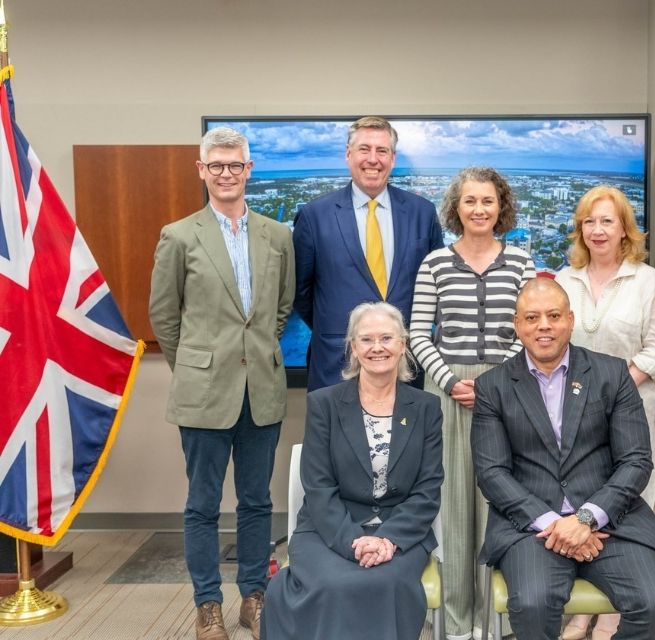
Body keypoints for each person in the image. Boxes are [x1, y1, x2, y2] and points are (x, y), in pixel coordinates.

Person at [471, 278, 655, 640]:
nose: (544, 326)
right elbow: (492, 472)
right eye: (532, 317)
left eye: (553, 315)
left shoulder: (611, 373)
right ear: (518, 325)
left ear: (570, 319)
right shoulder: (493, 386)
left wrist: (586, 517)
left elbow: (636, 460)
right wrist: (556, 523)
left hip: (610, 522)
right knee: (533, 605)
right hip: (533, 527)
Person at [149, 126, 295, 640]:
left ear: (249, 170)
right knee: (202, 505)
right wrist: (201, 364)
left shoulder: (277, 236)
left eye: (236, 165)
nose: (227, 173)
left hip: (262, 394)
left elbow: (280, 310)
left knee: (257, 502)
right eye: (217, 165)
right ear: (202, 171)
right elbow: (165, 318)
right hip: (204, 394)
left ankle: (253, 597)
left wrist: (250, 357)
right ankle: (207, 605)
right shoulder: (179, 235)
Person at [262, 302, 443, 640]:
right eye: (367, 339)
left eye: (387, 338)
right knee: (333, 583)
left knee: (386, 582)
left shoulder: (426, 408)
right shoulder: (324, 404)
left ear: (402, 345)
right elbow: (317, 486)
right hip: (328, 529)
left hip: (399, 533)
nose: (378, 347)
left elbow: (427, 489)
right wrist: (354, 541)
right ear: (353, 347)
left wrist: (387, 539)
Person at [409, 167, 536, 639]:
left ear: (501, 206)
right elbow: (418, 333)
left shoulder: (522, 262)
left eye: (488, 200)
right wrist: (448, 380)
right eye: (470, 201)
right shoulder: (434, 264)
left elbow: (528, 331)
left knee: (500, 505)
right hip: (445, 394)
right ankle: (458, 623)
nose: (479, 209)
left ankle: (494, 621)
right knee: (452, 506)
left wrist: (491, 383)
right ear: (455, 209)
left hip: (507, 392)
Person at [554, 186, 655, 640]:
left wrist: (614, 389)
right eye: (590, 221)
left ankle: (612, 615)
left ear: (625, 228)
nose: (598, 230)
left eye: (607, 221)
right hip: (569, 416)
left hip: (631, 411)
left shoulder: (646, 280)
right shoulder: (565, 280)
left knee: (624, 504)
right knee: (577, 504)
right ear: (580, 229)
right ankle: (582, 610)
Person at [293, 116, 444, 391]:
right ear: (349, 155)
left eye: (382, 151)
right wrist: (342, 327)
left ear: (393, 158)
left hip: (406, 366)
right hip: (336, 365)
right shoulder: (314, 216)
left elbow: (437, 287)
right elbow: (300, 292)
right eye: (364, 149)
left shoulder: (422, 213)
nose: (372, 159)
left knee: (408, 435)